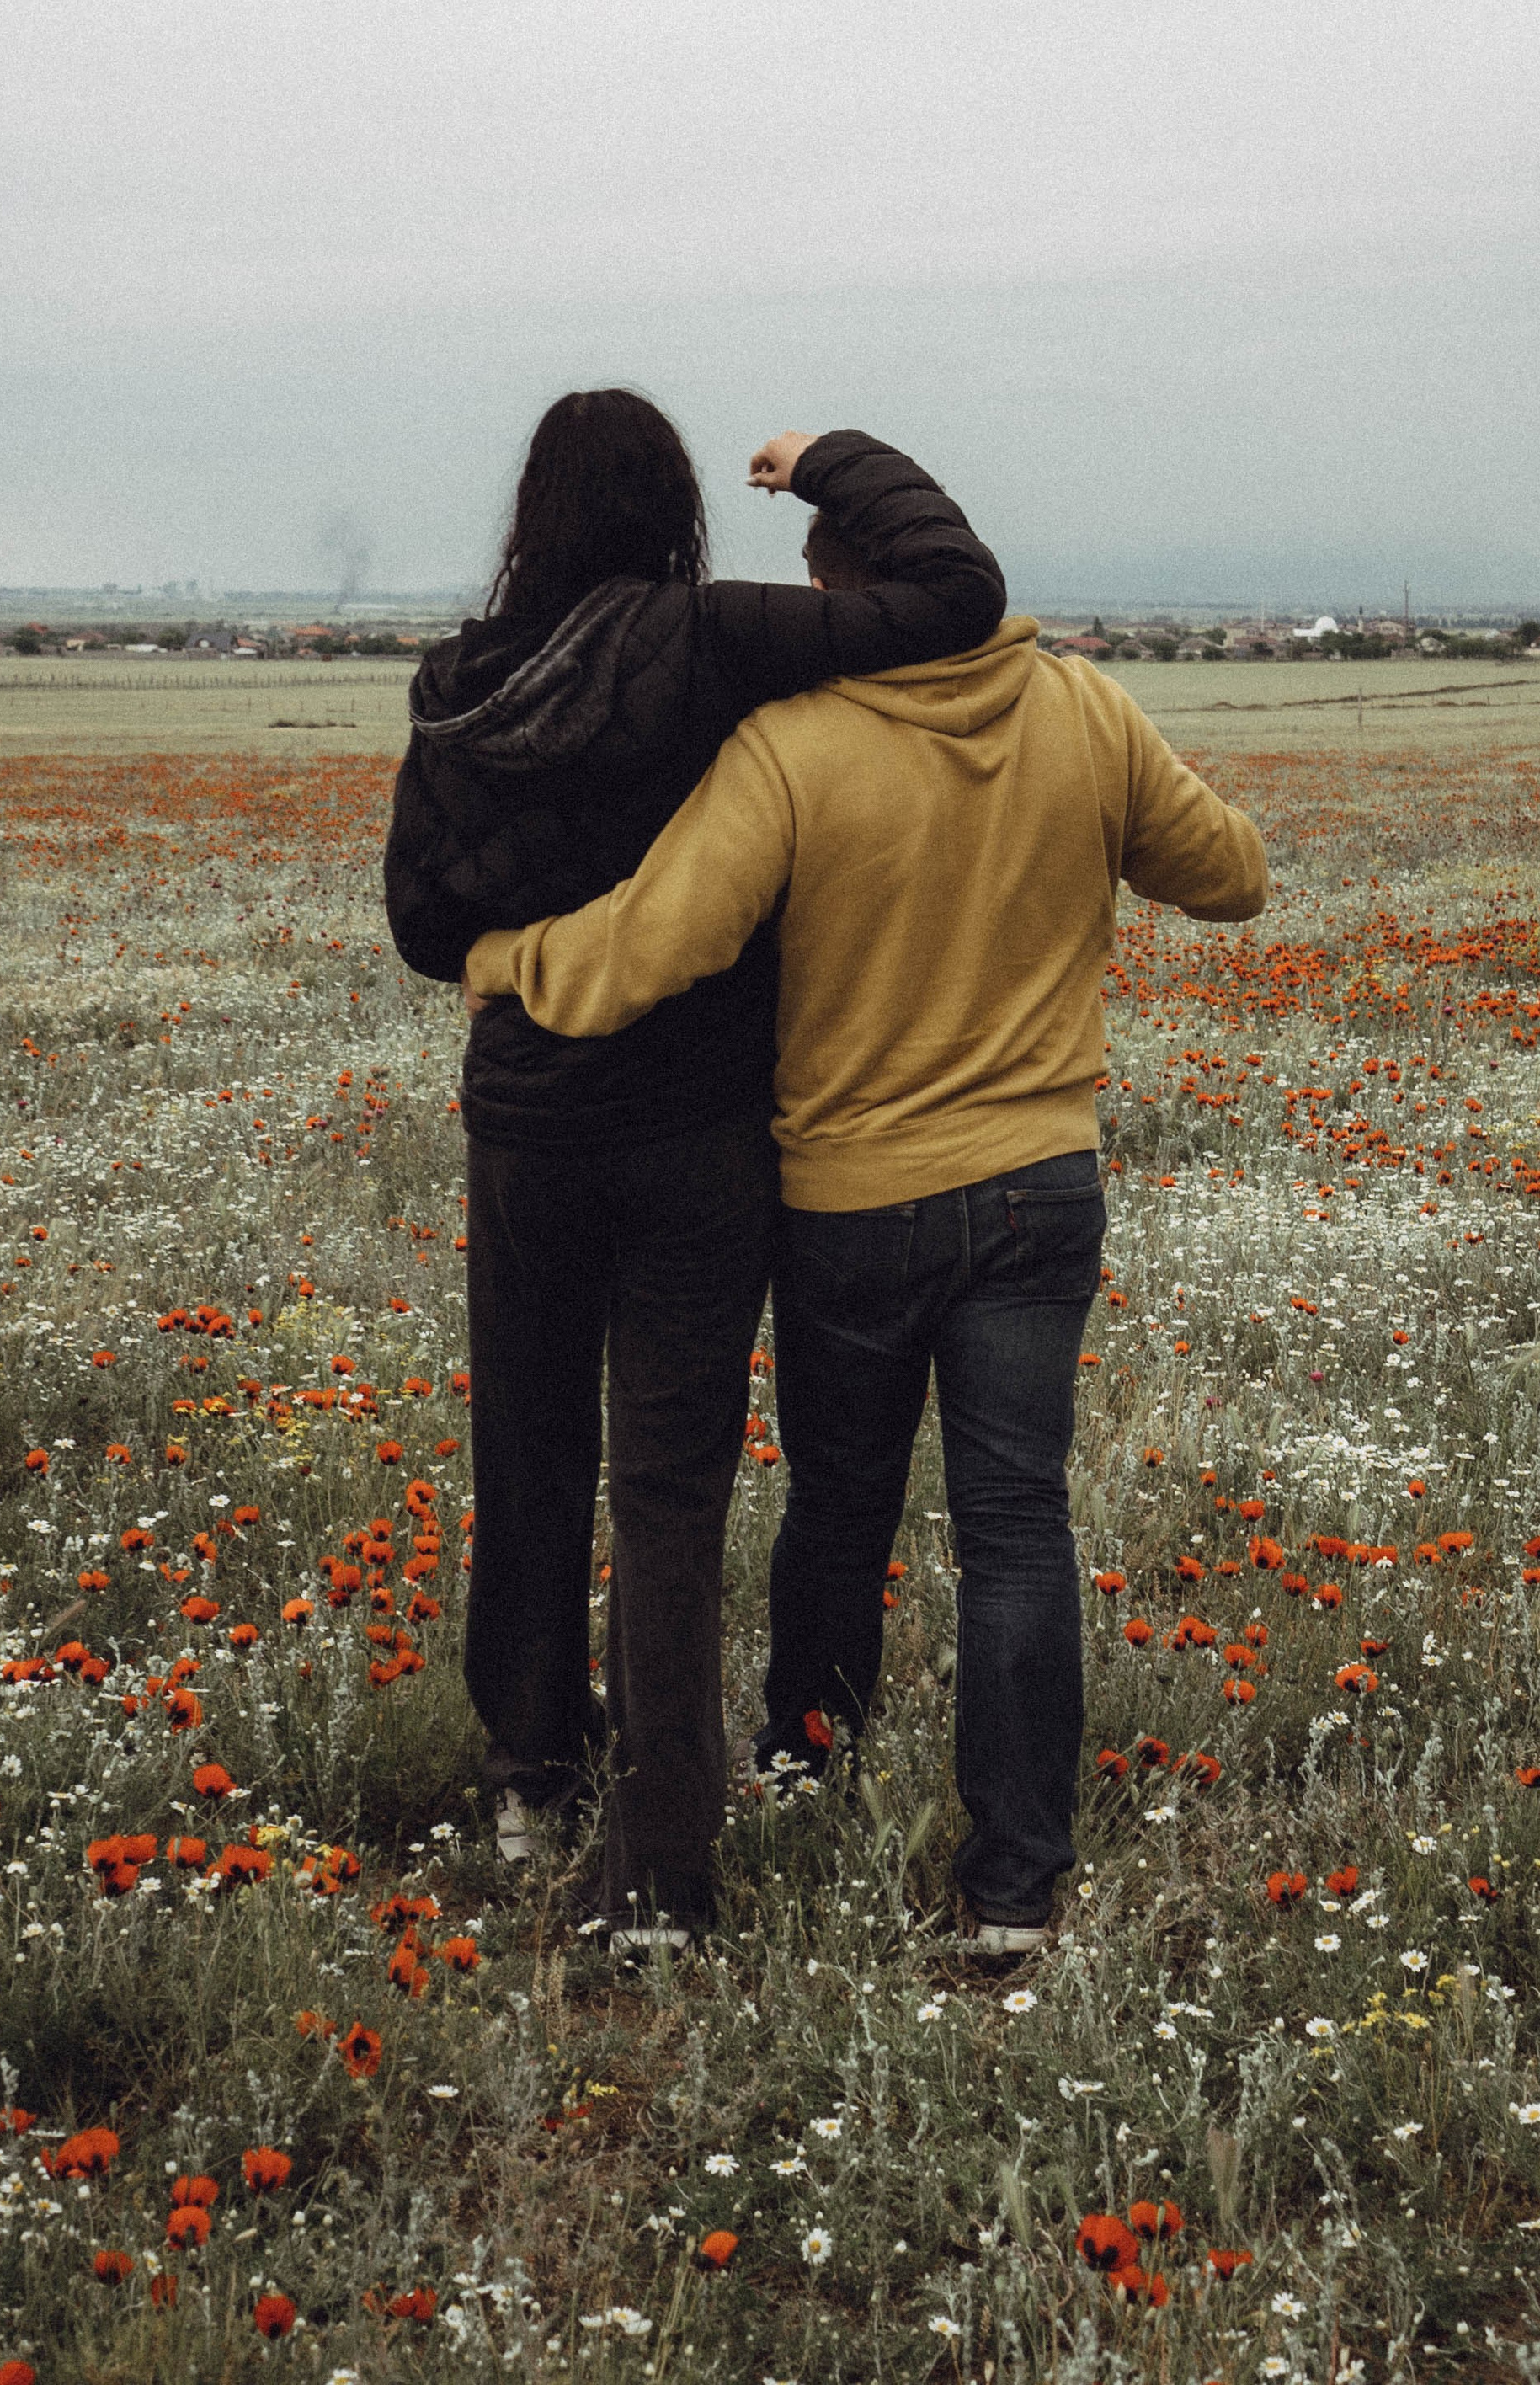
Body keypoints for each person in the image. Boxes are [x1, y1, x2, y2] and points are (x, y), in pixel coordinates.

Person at [462, 508, 1266, 1953]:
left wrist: (510, 961)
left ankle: (809, 1775)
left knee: (844, 1509)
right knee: (1018, 1526)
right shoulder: (1088, 707)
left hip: (853, 1203)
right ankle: (1016, 1884)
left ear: (838, 599)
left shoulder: (797, 744)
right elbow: (1233, 877)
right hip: (1040, 1186)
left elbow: (658, 942)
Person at [384, 400, 1005, 1941]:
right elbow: (957, 597)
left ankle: (533, 1770)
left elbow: (412, 926)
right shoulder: (712, 639)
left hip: (528, 1134)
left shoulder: (462, 685)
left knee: (525, 1454)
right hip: (696, 1140)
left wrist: (516, 948)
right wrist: (832, 462)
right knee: (669, 1492)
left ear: (532, 508)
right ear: (675, 503)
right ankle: (665, 1848)